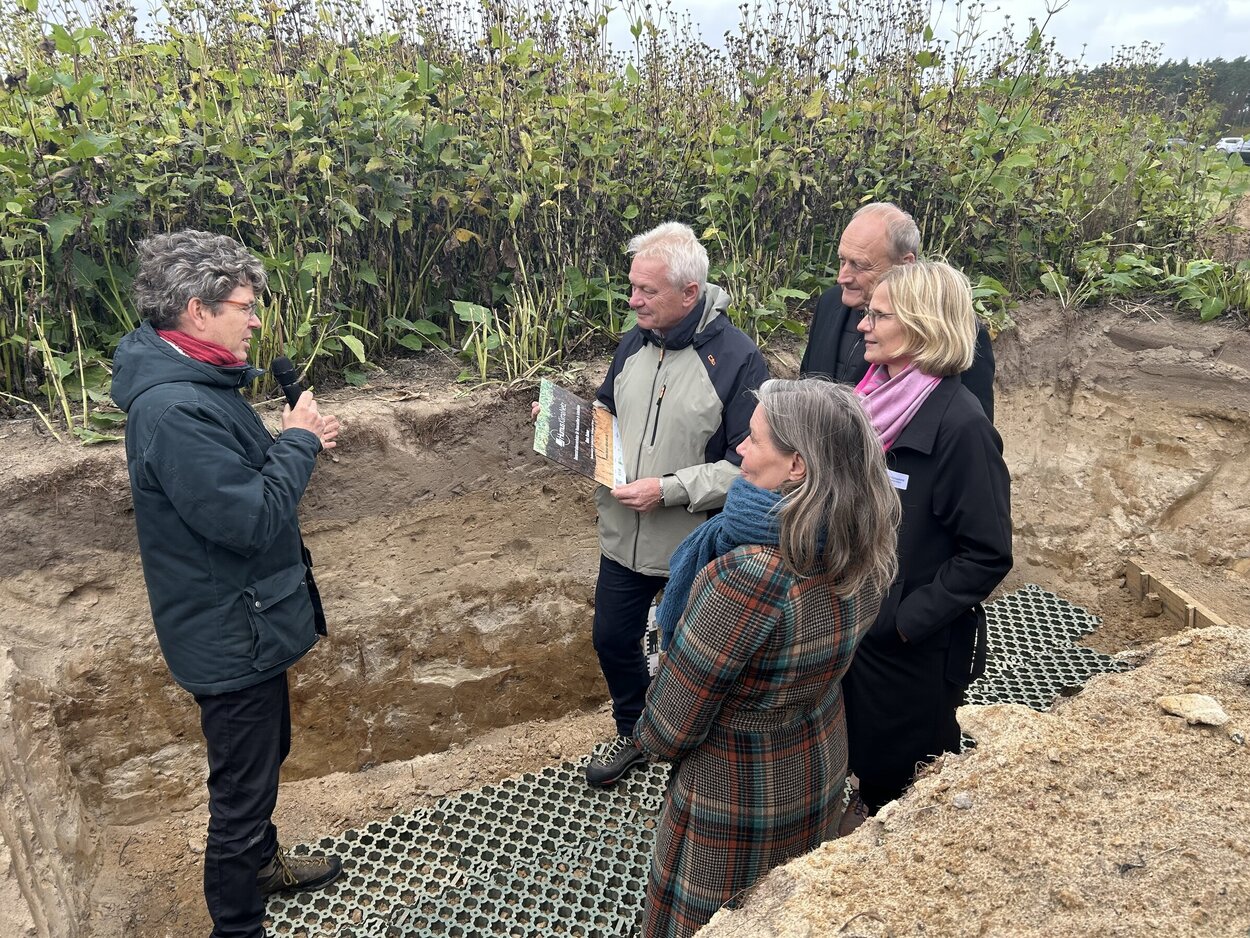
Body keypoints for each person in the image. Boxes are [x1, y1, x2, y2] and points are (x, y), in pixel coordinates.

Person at [111, 230, 343, 938]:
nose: (255, 320)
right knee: (242, 793)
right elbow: (247, 519)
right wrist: (298, 442)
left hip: (242, 621)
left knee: (263, 761)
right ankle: (237, 926)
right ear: (196, 309)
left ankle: (262, 867)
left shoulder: (197, 382)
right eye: (245, 306)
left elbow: (227, 488)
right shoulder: (176, 409)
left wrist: (282, 444)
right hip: (229, 633)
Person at [634, 378, 901, 938]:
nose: (740, 451)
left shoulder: (750, 573)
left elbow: (670, 727)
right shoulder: (864, 540)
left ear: (797, 466)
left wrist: (649, 731)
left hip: (736, 788)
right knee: (784, 911)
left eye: (754, 441)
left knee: (715, 921)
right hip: (817, 757)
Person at [583, 221, 768, 788]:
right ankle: (634, 735)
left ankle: (694, 750)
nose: (633, 300)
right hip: (623, 534)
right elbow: (607, 411)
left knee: (692, 657)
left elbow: (749, 468)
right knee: (612, 639)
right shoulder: (636, 339)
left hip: (695, 543)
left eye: (647, 291)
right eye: (632, 287)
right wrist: (571, 432)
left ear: (690, 294)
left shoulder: (738, 360)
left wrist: (667, 489)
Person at [841, 260, 1013, 824]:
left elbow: (987, 553)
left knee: (901, 784)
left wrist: (904, 620)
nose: (863, 325)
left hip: (908, 656)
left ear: (920, 326)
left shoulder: (960, 427)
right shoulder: (874, 401)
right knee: (857, 761)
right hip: (857, 631)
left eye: (878, 315)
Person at [800, 202, 996, 421]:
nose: (842, 277)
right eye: (842, 260)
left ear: (905, 263)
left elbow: (973, 426)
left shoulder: (948, 330)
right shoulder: (829, 304)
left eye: (859, 265)